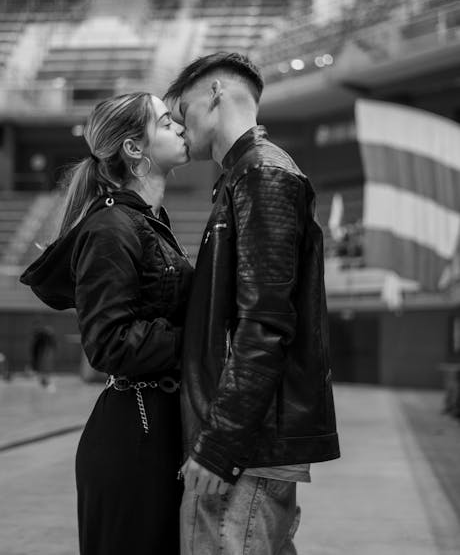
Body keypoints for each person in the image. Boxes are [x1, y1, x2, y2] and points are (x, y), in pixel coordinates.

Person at [164, 52, 340, 555]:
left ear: (216, 93)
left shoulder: (264, 174)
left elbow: (264, 326)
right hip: (247, 440)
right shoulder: (244, 175)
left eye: (183, 111)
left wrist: (220, 445)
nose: (180, 127)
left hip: (246, 447)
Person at [19, 92, 192, 555]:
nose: (178, 127)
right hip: (134, 438)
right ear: (134, 148)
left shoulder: (149, 221)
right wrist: (201, 339)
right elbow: (109, 344)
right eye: (164, 122)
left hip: (158, 427)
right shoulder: (111, 227)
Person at [30, 320, 57, 389]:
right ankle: (43, 380)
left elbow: (52, 345)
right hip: (41, 353)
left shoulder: (44, 337)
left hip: (44, 353)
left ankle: (44, 380)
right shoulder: (41, 336)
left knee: (45, 367)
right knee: (42, 367)